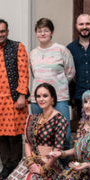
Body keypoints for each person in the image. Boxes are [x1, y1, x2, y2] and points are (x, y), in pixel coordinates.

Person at [0, 19, 29, 180]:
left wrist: (22, 95)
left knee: (15, 134)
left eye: (2, 31)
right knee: (1, 135)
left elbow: (23, 72)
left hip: (14, 98)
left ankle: (16, 165)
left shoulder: (18, 47)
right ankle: (6, 165)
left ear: (7, 32)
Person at [29, 18, 75, 154]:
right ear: (36, 33)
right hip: (38, 100)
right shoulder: (33, 53)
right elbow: (34, 74)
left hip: (59, 97)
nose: (43, 33)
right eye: (39, 31)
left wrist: (57, 85)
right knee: (39, 135)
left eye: (46, 30)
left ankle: (63, 167)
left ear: (52, 32)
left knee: (64, 135)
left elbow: (71, 72)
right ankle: (44, 167)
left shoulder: (62, 50)